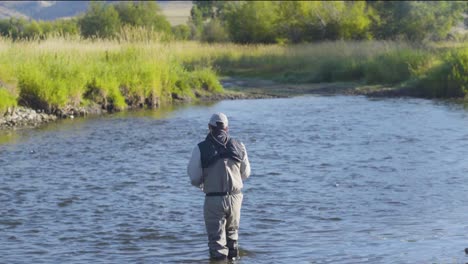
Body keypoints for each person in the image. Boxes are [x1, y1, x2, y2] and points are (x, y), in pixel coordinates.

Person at [187, 112, 251, 260]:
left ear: (209, 127)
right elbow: (246, 173)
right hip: (236, 198)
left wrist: (204, 183)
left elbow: (195, 178)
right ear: (227, 128)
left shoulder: (200, 148)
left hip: (214, 199)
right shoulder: (239, 145)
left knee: (217, 244)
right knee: (232, 239)